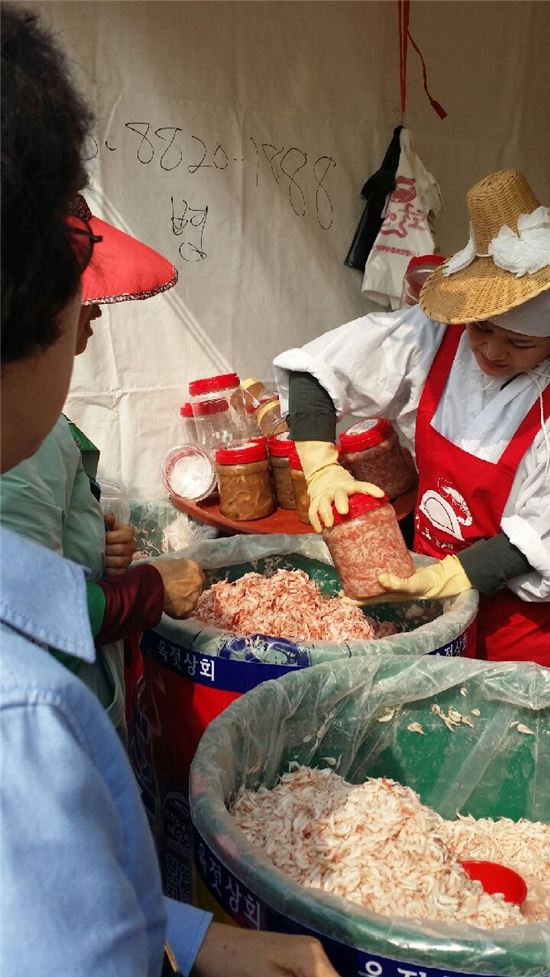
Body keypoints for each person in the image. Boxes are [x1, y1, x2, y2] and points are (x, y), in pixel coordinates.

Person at [0, 7, 340, 976]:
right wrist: (148, 590)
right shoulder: (19, 718)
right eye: (88, 309)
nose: (89, 332)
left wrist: (189, 935)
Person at [274, 168, 550, 666]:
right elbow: (315, 372)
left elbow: (538, 537)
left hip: (514, 631)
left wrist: (445, 579)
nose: (490, 350)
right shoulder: (434, 335)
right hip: (422, 599)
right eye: (481, 329)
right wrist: (322, 467)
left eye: (519, 342)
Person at [0, 192, 204, 736]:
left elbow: (35, 551)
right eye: (80, 296)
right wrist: (151, 589)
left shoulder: (30, 418)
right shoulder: (20, 435)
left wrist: (91, 544)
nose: (93, 311)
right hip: (56, 722)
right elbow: (27, 609)